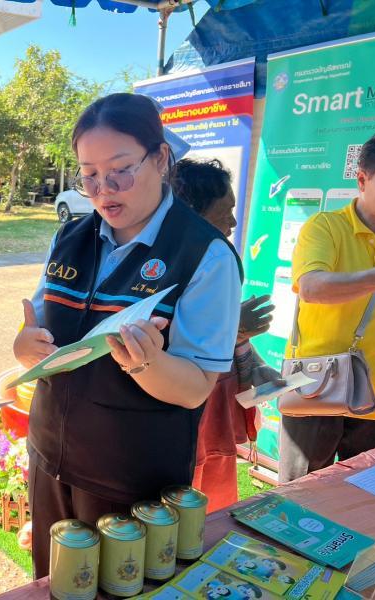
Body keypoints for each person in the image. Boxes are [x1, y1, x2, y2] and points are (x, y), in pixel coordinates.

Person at [13, 93, 243, 578]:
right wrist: (23, 344)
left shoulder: (205, 255)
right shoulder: (71, 237)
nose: (103, 189)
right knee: (53, 582)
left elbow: (197, 386)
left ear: (160, 159)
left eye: (120, 169)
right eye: (88, 174)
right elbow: (37, 325)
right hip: (51, 457)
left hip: (131, 480)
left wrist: (147, 363)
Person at [171, 158, 281, 512]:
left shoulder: (223, 254)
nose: (233, 222)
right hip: (180, 398)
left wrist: (246, 348)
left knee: (213, 487)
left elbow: (222, 325)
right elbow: (166, 336)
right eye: (226, 210)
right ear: (192, 210)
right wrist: (234, 328)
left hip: (216, 398)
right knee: (179, 489)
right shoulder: (162, 261)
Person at [279, 130, 375, 483]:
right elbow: (312, 287)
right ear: (362, 180)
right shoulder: (325, 226)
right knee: (298, 498)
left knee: (362, 500)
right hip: (315, 386)